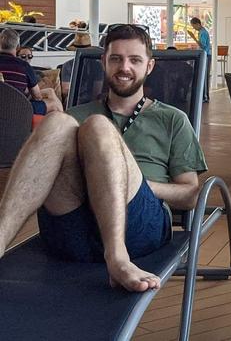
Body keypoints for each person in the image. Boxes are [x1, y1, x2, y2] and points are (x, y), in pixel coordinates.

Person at [0, 24, 207, 292]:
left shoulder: (172, 119)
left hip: (138, 227)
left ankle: (118, 259)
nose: (125, 67)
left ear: (150, 66)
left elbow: (190, 195)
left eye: (135, 60)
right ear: (103, 62)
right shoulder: (76, 115)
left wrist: (121, 181)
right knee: (55, 122)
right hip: (72, 228)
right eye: (116, 59)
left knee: (98, 126)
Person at [0, 29, 62, 114]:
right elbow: (37, 97)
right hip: (18, 110)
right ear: (18, 47)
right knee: (54, 104)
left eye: (29, 56)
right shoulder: (24, 66)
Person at [188, 17, 212, 102]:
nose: (193, 28)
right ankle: (204, 96)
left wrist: (193, 37)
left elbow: (203, 46)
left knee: (205, 76)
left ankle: (205, 97)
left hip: (206, 56)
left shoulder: (203, 33)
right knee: (204, 76)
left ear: (197, 24)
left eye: (193, 26)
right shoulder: (202, 32)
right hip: (206, 55)